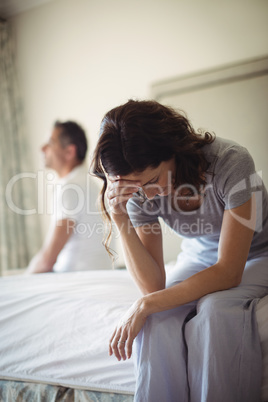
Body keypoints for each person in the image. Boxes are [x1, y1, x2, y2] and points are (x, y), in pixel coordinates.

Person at [92, 99, 268, 402]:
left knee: (215, 309)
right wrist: (120, 216)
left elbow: (228, 271)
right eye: (136, 188)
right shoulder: (136, 187)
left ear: (173, 149)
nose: (147, 195)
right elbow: (153, 286)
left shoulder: (231, 163)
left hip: (259, 252)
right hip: (200, 254)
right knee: (157, 318)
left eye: (154, 180)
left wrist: (144, 304)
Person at [27, 120, 111, 274]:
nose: (42, 148)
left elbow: (47, 260)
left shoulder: (69, 188)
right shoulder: (88, 184)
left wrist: (24, 279)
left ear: (69, 152)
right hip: (98, 273)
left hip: (76, 278)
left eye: (50, 143)